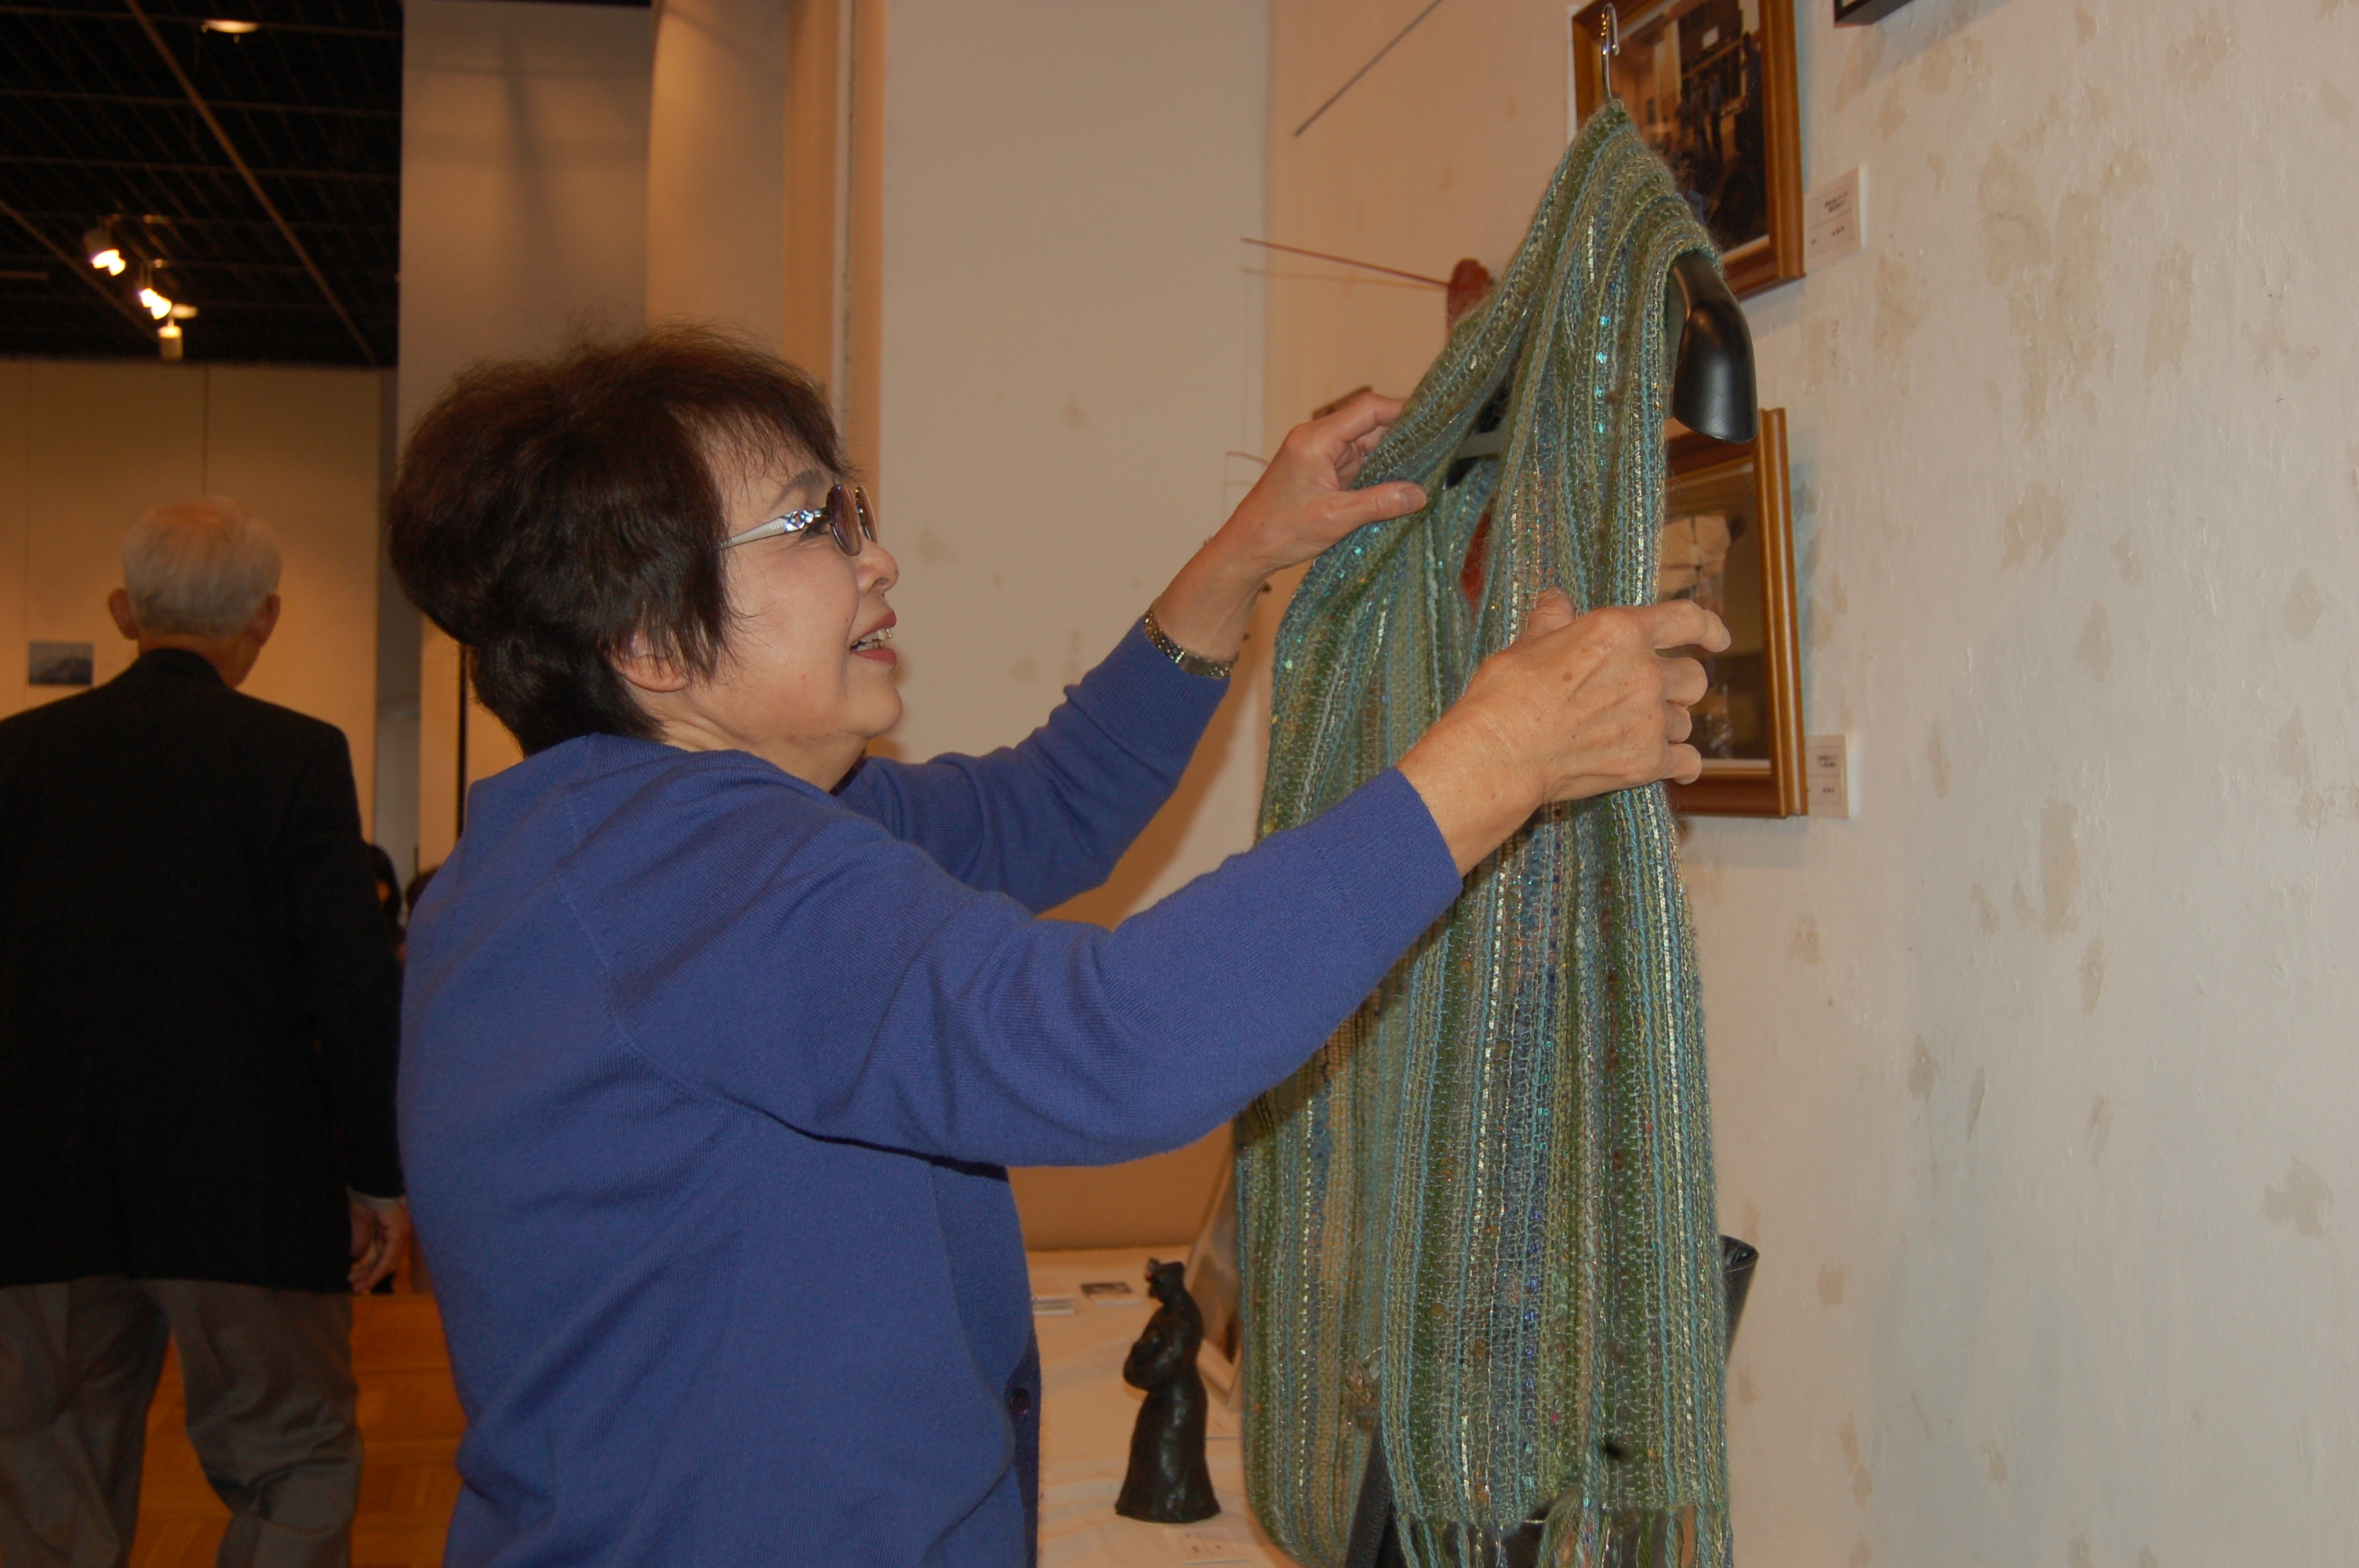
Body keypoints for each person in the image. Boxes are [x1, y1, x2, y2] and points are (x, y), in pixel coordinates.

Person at [389, 327, 1726, 1567]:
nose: (876, 557)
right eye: (812, 523)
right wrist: (1496, 761)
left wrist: (1246, 554)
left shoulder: (615, 847)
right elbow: (1114, 1043)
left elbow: (1048, 808)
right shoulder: (687, 875)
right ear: (647, 642)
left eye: (853, 508)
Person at [0, 498, 408, 1568]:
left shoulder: (16, 756)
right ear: (265, 618)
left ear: (123, 612)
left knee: (45, 1483)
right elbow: (351, 983)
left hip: (41, 1185)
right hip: (247, 1186)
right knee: (292, 1463)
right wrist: (376, 1174)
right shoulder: (294, 757)